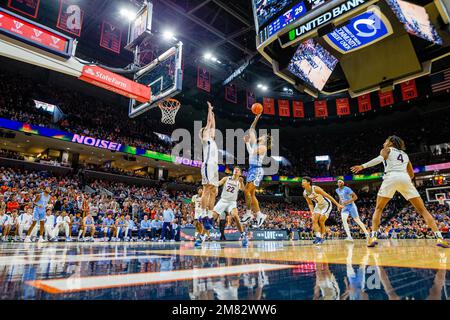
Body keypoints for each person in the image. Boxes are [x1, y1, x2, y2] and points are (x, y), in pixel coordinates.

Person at [351, 135, 449, 248]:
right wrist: (403, 181)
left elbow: (379, 159)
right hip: (405, 178)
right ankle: (440, 238)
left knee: (379, 208)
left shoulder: (386, 150)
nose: (384, 143)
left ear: (391, 142)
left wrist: (362, 166)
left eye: (386, 141)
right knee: (423, 210)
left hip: (391, 177)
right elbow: (411, 174)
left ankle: (373, 236)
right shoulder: (405, 155)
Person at [241, 113, 268, 228]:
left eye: (262, 136)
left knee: (246, 191)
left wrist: (247, 142)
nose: (259, 136)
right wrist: (256, 118)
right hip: (252, 169)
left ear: (265, 140)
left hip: (257, 170)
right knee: (251, 195)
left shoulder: (263, 147)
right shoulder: (256, 146)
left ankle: (248, 213)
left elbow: (251, 152)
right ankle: (259, 214)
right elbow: (251, 129)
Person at [210, 167, 248, 247]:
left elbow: (242, 189)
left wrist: (241, 182)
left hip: (232, 202)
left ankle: (243, 234)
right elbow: (218, 183)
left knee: (235, 215)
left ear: (240, 173)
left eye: (238, 170)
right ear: (233, 171)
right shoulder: (226, 178)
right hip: (223, 201)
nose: (236, 170)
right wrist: (213, 184)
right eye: (235, 169)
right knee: (212, 217)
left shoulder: (239, 181)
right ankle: (203, 236)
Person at [302, 177, 343, 245]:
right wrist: (312, 212)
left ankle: (322, 237)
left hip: (326, 204)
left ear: (308, 183)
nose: (302, 183)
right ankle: (318, 237)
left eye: (304, 181)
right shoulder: (305, 193)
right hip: (318, 205)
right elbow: (310, 203)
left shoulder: (316, 189)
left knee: (321, 220)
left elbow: (328, 196)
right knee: (314, 219)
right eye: (302, 181)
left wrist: (337, 204)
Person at [199, 102, 219, 226]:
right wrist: (209, 110)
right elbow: (209, 123)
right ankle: (203, 213)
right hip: (207, 165)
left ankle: (210, 215)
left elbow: (213, 125)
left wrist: (213, 115)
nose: (210, 130)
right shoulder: (205, 137)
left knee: (213, 191)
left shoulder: (211, 139)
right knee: (206, 189)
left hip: (214, 166)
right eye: (207, 130)